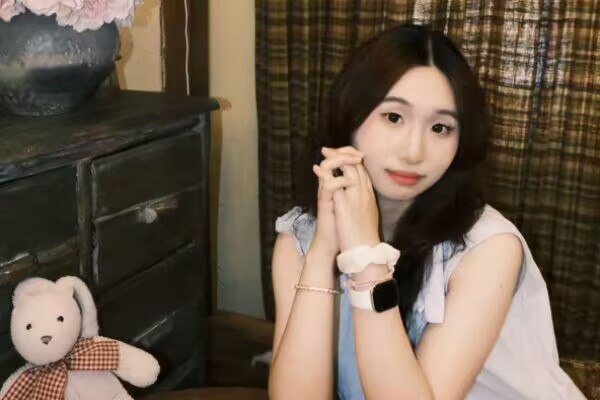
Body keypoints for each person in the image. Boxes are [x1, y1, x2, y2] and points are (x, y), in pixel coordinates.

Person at [267, 23, 586, 400]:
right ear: (350, 116)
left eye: (440, 127)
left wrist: (366, 255)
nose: (413, 151)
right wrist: (323, 252)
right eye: (394, 118)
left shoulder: (488, 248)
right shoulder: (300, 239)